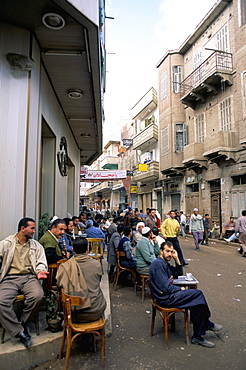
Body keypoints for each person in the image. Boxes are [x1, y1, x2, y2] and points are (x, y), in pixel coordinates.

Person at [149, 241, 222, 348]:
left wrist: (177, 259)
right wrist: (180, 289)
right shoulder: (158, 265)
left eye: (171, 251)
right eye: (167, 251)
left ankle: (198, 335)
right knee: (198, 294)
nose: (169, 254)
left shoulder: (164, 263)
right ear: (161, 251)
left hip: (168, 296)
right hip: (165, 299)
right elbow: (166, 287)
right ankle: (206, 324)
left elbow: (178, 273)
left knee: (197, 303)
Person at [0, 218, 48, 348]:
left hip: (29, 277)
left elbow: (41, 262)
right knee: (1, 300)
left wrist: (40, 271)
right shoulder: (6, 243)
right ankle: (20, 332)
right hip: (10, 279)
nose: (34, 231)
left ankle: (22, 323)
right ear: (22, 228)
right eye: (31, 228)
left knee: (37, 296)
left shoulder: (36, 246)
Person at [56, 237, 106, 323]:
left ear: (73, 249)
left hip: (73, 313)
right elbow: (98, 281)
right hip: (96, 311)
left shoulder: (64, 267)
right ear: (87, 249)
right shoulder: (96, 265)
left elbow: (59, 285)